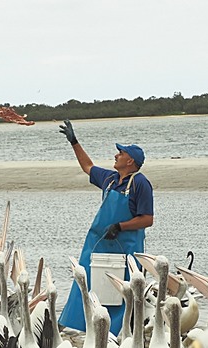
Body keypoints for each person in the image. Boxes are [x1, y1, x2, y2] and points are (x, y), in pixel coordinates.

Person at [57, 119, 154, 334]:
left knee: (121, 292)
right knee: (85, 283)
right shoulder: (110, 179)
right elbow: (87, 166)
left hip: (126, 248)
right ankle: (80, 327)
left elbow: (147, 219)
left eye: (120, 153)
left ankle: (119, 332)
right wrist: (74, 141)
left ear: (130, 161)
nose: (116, 155)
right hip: (99, 244)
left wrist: (120, 226)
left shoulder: (140, 183)